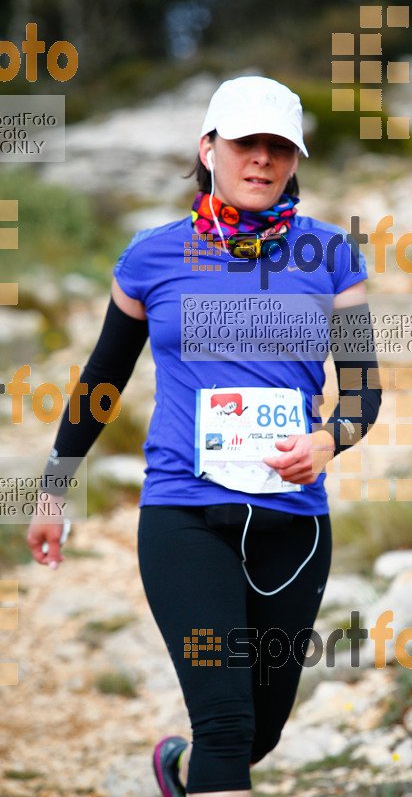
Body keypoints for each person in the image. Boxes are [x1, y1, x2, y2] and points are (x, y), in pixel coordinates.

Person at [27, 76, 381, 796]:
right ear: (207, 148)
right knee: (223, 724)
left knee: (258, 731)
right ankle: (204, 758)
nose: (261, 160)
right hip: (182, 514)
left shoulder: (332, 256)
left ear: (294, 159)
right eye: (245, 143)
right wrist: (55, 488)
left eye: (278, 147)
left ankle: (178, 771)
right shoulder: (151, 256)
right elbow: (102, 379)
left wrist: (329, 441)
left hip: (292, 522)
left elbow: (364, 387)